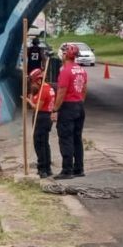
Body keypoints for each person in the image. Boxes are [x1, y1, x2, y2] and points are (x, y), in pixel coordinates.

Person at [51, 42, 88, 179]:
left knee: (66, 139)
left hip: (67, 107)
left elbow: (61, 91)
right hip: (79, 106)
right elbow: (84, 89)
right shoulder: (81, 70)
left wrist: (55, 109)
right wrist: (79, 102)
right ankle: (79, 168)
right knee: (77, 139)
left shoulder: (65, 71)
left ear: (65, 55)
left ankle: (67, 170)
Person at [27, 68, 55, 178]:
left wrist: (29, 101)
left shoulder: (43, 90)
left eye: (34, 81)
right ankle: (47, 168)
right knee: (45, 143)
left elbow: (37, 107)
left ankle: (42, 168)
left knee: (39, 144)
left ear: (38, 80)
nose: (33, 84)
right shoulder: (49, 87)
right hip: (47, 117)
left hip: (42, 117)